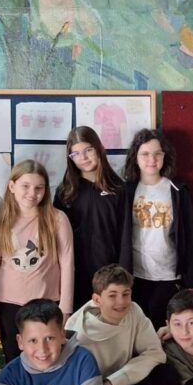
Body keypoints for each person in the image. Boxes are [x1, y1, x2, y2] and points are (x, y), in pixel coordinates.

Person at [0, 160, 74, 363]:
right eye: (25, 186)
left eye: (39, 187)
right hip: (9, 306)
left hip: (48, 305)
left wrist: (65, 309)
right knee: (16, 363)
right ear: (12, 186)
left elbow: (68, 264)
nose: (32, 193)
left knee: (47, 361)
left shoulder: (57, 219)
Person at [121, 129, 193, 327]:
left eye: (157, 153)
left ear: (165, 156)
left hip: (168, 275)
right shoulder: (127, 191)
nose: (152, 159)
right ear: (135, 157)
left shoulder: (177, 190)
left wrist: (191, 281)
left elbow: (190, 238)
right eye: (145, 154)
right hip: (135, 276)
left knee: (163, 331)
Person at [54, 126, 129, 312]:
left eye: (88, 150)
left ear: (99, 148)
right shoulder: (65, 192)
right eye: (76, 154)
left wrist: (123, 275)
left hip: (109, 275)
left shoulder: (118, 189)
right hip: (74, 274)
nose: (84, 158)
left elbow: (125, 236)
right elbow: (56, 240)